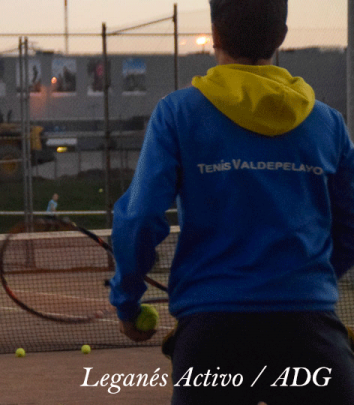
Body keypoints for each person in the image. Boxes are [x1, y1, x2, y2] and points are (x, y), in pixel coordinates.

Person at [108, 1, 354, 404]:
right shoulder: (328, 123)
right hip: (311, 332)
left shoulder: (177, 113)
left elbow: (139, 218)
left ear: (216, 36)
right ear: (282, 36)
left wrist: (127, 303)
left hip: (212, 334)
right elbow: (351, 225)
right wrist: (311, 280)